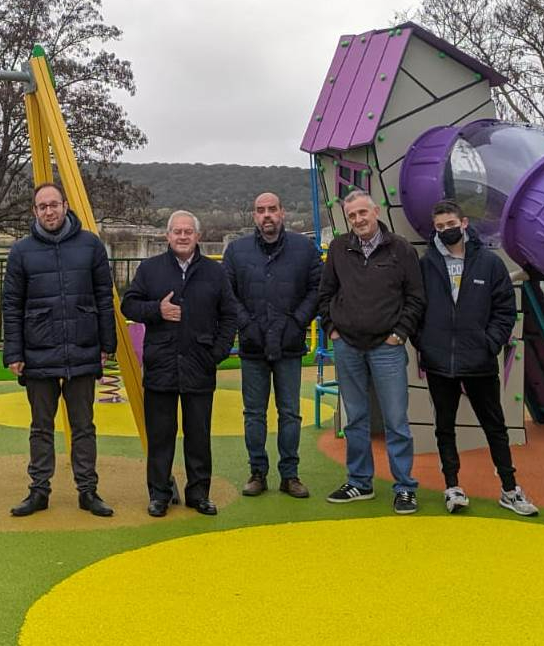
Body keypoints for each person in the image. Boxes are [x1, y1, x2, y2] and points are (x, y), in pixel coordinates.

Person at [3, 182, 117, 518]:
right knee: (41, 426)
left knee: (84, 425)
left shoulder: (91, 246)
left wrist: (107, 344)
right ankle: (39, 490)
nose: (49, 211)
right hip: (39, 350)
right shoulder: (21, 251)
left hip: (82, 347)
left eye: (54, 205)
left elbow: (104, 298)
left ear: (65, 206)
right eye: (42, 206)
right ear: (34, 211)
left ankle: (88, 490)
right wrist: (14, 352)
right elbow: (12, 304)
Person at [419, 199, 539, 517]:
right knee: (444, 426)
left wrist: (491, 343)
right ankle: (453, 487)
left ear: (464, 223)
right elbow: (415, 306)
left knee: (494, 425)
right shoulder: (426, 264)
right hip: (439, 361)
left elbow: (503, 308)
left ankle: (510, 489)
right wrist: (425, 344)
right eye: (440, 226)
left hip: (480, 360)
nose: (446, 230)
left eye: (450, 224)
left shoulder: (489, 263)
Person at [120, 211, 240, 516]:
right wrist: (156, 310)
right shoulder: (150, 270)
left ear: (198, 236)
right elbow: (128, 305)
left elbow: (229, 315)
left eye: (189, 231)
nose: (183, 236)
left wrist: (218, 352)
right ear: (167, 236)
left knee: (198, 435)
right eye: (177, 231)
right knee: (160, 436)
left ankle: (199, 494)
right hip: (161, 363)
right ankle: (159, 494)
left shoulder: (215, 273)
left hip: (200, 364)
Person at [317, 190, 424, 514]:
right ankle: (360, 482)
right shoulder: (338, 248)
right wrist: (332, 330)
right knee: (356, 418)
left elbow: (416, 296)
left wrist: (399, 333)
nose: (359, 220)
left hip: (387, 348)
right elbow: (325, 293)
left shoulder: (400, 249)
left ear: (375, 211)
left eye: (363, 212)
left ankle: (404, 487)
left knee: (395, 420)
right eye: (352, 216)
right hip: (347, 345)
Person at [222, 191, 319, 498]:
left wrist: (296, 323)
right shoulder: (236, 251)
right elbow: (228, 294)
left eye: (272, 209)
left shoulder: (304, 249)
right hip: (252, 346)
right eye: (261, 210)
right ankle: (257, 472)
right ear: (254, 216)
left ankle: (290, 475)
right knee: (254, 413)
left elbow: (317, 288)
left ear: (283, 213)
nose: (267, 215)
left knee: (290, 412)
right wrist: (247, 326)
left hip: (290, 345)